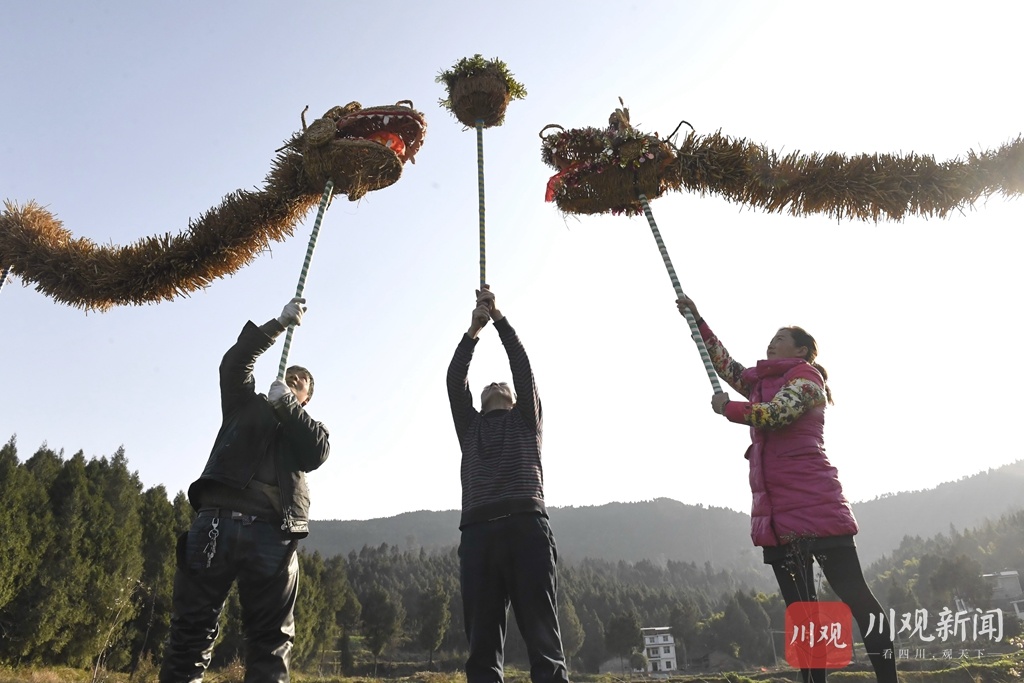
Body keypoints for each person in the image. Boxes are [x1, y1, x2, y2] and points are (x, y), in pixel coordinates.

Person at [677, 295, 898, 683]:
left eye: (781, 338)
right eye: (772, 337)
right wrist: (697, 321)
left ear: (802, 351)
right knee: (803, 612)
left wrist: (729, 409)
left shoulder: (807, 380)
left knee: (855, 596)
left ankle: (888, 678)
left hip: (817, 508)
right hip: (779, 518)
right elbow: (724, 365)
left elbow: (777, 415)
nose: (772, 342)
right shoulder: (759, 383)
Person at [160, 296, 331, 683]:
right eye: (289, 376)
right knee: (190, 634)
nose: (293, 380)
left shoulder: (308, 429)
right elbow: (234, 364)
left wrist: (289, 409)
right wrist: (278, 324)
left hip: (272, 533)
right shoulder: (243, 404)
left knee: (271, 644)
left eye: (300, 383)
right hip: (215, 523)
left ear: (306, 398)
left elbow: (318, 453)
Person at [446, 286, 569, 683]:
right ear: (481, 401)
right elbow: (455, 380)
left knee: (544, 643)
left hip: (526, 527)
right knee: (482, 649)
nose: (496, 383)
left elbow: (522, 367)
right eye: (488, 386)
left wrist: (499, 319)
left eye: (503, 386)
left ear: (516, 400)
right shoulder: (470, 427)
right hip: (478, 534)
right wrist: (473, 332)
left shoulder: (525, 421)